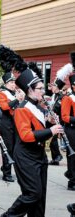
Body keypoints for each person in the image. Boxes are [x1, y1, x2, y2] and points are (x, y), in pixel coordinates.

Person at [1, 68, 63, 217]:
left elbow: (39, 133)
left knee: (40, 198)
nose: (43, 91)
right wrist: (51, 130)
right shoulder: (22, 109)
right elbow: (26, 136)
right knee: (33, 193)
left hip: (39, 155)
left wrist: (49, 124)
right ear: (30, 90)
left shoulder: (39, 108)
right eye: (40, 88)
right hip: (25, 156)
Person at [0, 45, 25, 182]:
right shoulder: (2, 93)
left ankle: (10, 169)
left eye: (14, 82)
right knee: (7, 148)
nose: (14, 84)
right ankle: (6, 173)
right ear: (6, 84)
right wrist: (16, 100)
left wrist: (23, 99)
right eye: (11, 82)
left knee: (16, 148)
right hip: (7, 123)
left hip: (17, 122)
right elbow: (4, 107)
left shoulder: (16, 93)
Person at [47, 66, 68, 165]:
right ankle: (56, 158)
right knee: (52, 141)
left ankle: (58, 156)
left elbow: (56, 108)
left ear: (57, 87)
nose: (52, 87)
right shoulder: (53, 96)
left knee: (53, 140)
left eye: (53, 85)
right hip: (54, 120)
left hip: (60, 121)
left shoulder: (61, 97)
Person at [61, 62, 75, 191]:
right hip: (71, 129)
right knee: (72, 155)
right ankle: (72, 180)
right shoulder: (68, 98)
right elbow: (64, 116)